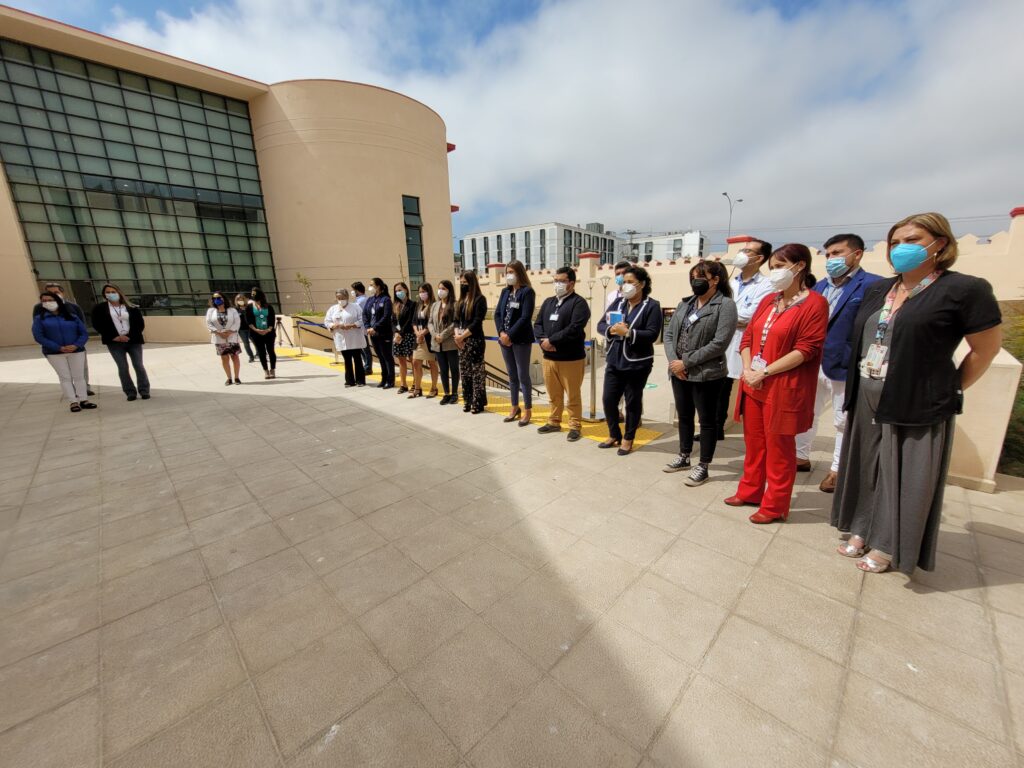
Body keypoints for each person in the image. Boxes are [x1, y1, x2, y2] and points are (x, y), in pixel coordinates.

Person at [831, 212, 1001, 574]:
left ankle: (889, 544)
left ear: (940, 244)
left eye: (912, 240)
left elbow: (984, 350)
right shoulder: (880, 289)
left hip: (915, 400)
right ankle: (861, 528)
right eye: (895, 242)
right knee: (865, 467)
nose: (900, 248)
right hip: (867, 394)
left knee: (904, 476)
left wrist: (946, 388)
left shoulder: (964, 289)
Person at [726, 244, 828, 524]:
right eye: (773, 267)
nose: (775, 273)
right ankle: (750, 491)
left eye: (781, 266)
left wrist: (765, 372)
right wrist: (748, 369)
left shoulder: (814, 303)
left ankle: (775, 506)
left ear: (800, 267)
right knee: (755, 444)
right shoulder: (768, 301)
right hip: (754, 383)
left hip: (782, 387)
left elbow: (807, 349)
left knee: (780, 450)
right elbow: (747, 338)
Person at [795, 234, 881, 489]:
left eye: (838, 253)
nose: (832, 258)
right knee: (807, 412)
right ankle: (800, 456)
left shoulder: (873, 286)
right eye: (828, 254)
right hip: (813, 362)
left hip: (845, 364)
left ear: (857, 254)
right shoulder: (819, 287)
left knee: (842, 420)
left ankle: (837, 470)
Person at [662, 261, 738, 484]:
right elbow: (669, 335)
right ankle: (684, 455)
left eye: (701, 277)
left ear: (715, 280)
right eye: (693, 276)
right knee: (684, 416)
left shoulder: (725, 306)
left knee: (706, 421)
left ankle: (703, 465)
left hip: (706, 374)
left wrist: (685, 362)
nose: (696, 281)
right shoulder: (685, 304)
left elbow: (719, 343)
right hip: (679, 372)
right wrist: (674, 362)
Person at [597, 265, 662, 455]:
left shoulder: (651, 306)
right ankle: (614, 434)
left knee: (633, 401)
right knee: (609, 399)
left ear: (641, 284)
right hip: (615, 360)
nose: (626, 286)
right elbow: (602, 324)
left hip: (637, 363)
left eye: (630, 282)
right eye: (624, 282)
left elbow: (652, 334)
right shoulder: (618, 303)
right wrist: (610, 330)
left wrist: (629, 333)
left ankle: (628, 438)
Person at [718, 239, 775, 440]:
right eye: (742, 249)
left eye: (747, 251)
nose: (741, 253)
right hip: (723, 342)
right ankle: (717, 428)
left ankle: (752, 430)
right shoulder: (730, 283)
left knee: (747, 387)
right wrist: (730, 317)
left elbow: (752, 316)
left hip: (746, 343)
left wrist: (725, 317)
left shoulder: (767, 285)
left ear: (759, 258)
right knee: (721, 388)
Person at [534, 266, 591, 441]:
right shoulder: (548, 302)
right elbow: (537, 324)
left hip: (570, 359)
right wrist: (543, 342)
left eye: (562, 281)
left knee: (573, 395)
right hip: (549, 358)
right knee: (554, 394)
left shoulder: (579, 303)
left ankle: (574, 425)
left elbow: (574, 328)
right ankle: (554, 421)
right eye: (556, 280)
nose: (558, 283)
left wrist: (552, 341)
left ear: (571, 283)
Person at [32, 291, 96, 413]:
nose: (47, 303)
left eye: (50, 300)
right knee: (65, 378)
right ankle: (73, 402)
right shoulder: (39, 319)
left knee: (79, 377)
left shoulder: (72, 316)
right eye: (44, 301)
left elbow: (83, 333)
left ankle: (84, 400)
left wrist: (76, 345)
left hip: (76, 351)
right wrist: (57, 347)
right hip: (54, 353)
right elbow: (39, 336)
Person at [91, 283, 150, 401]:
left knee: (138, 365)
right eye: (108, 292)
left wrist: (129, 336)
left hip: (133, 341)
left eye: (113, 292)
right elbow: (97, 325)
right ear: (104, 295)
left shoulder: (131, 307)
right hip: (115, 342)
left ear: (119, 292)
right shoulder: (99, 308)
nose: (111, 294)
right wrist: (114, 336)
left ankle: (144, 390)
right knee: (122, 367)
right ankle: (130, 392)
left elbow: (140, 324)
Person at [494, 260, 536, 426]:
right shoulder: (505, 292)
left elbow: (526, 318)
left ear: (519, 273)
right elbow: (498, 314)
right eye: (507, 272)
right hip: (504, 340)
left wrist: (509, 335)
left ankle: (528, 410)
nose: (508, 275)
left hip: (520, 340)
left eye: (511, 271)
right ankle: (514, 407)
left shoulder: (527, 292)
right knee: (511, 376)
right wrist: (501, 333)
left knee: (522, 375)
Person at [454, 270, 488, 413]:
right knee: (465, 373)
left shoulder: (480, 299)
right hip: (461, 342)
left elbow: (476, 322)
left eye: (465, 283)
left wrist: (462, 337)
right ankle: (467, 400)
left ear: (472, 283)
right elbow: (456, 321)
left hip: (474, 341)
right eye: (461, 283)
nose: (463, 285)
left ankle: (478, 402)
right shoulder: (460, 301)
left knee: (477, 373)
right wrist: (457, 337)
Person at [324, 288, 366, 387]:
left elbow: (362, 319)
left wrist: (352, 325)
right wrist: (332, 326)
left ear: (347, 297)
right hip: (341, 337)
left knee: (357, 359)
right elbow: (327, 321)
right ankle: (349, 380)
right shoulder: (333, 309)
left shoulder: (355, 307)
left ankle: (360, 380)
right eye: (338, 298)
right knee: (347, 360)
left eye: (342, 297)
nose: (340, 300)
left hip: (354, 337)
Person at [429, 279, 460, 405]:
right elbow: (430, 322)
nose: (440, 291)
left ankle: (454, 393)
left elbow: (455, 323)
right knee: (443, 369)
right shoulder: (435, 305)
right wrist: (435, 334)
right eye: (439, 288)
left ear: (449, 290)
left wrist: (443, 335)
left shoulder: (455, 304)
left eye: (443, 288)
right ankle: (446, 393)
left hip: (450, 343)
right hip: (437, 343)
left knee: (453, 368)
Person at [205, 292, 242, 385]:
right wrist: (218, 332)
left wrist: (229, 332)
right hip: (219, 338)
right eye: (214, 298)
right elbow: (209, 323)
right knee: (224, 358)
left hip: (232, 337)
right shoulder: (211, 311)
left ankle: (237, 377)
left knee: (235, 357)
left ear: (223, 298)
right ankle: (229, 378)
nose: (217, 299)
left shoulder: (232, 310)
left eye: (219, 297)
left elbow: (237, 322)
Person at [410, 283, 440, 398]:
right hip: (418, 339)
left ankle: (434, 388)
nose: (421, 294)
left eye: (423, 291)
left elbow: (433, 322)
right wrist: (417, 333)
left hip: (429, 338)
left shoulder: (434, 305)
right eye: (420, 292)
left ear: (429, 292)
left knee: (432, 363)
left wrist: (423, 333)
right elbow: (413, 321)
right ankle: (417, 388)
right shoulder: (418, 305)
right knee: (416, 361)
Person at [364, 278, 395, 389]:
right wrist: (368, 327)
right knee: (380, 357)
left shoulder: (386, 300)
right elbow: (365, 315)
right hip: (373, 334)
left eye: (372, 285)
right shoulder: (370, 300)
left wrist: (375, 327)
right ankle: (384, 379)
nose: (370, 287)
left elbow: (386, 317)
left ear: (378, 286)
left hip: (384, 333)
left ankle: (390, 381)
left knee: (387, 356)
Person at [245, 288, 278, 379]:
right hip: (256, 334)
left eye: (255, 294)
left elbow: (272, 319)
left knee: (271, 351)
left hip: (269, 333)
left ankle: (272, 369)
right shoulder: (249, 307)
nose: (253, 295)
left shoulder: (268, 306)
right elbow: (249, 321)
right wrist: (257, 330)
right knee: (261, 352)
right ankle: (266, 371)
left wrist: (268, 329)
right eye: (252, 294)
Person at [392, 281, 415, 393]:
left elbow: (410, 321)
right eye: (396, 291)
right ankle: (403, 384)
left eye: (400, 290)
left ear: (406, 290)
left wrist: (400, 333)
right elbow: (392, 321)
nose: (398, 292)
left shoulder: (413, 304)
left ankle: (416, 383)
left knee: (413, 360)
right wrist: (396, 332)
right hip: (397, 336)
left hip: (409, 335)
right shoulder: (395, 305)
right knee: (401, 361)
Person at [351, 281, 373, 376]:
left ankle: (368, 367)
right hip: (359, 328)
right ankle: (366, 366)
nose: (352, 292)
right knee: (362, 348)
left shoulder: (361, 300)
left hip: (362, 328)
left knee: (365, 348)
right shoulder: (359, 300)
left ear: (357, 290)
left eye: (353, 290)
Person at [234, 293, 256, 363]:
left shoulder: (249, 307)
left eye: (241, 299)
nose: (240, 300)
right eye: (238, 299)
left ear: (244, 299)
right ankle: (251, 356)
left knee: (255, 341)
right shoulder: (235, 309)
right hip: (241, 329)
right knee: (246, 343)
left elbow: (253, 316)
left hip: (250, 327)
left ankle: (258, 353)